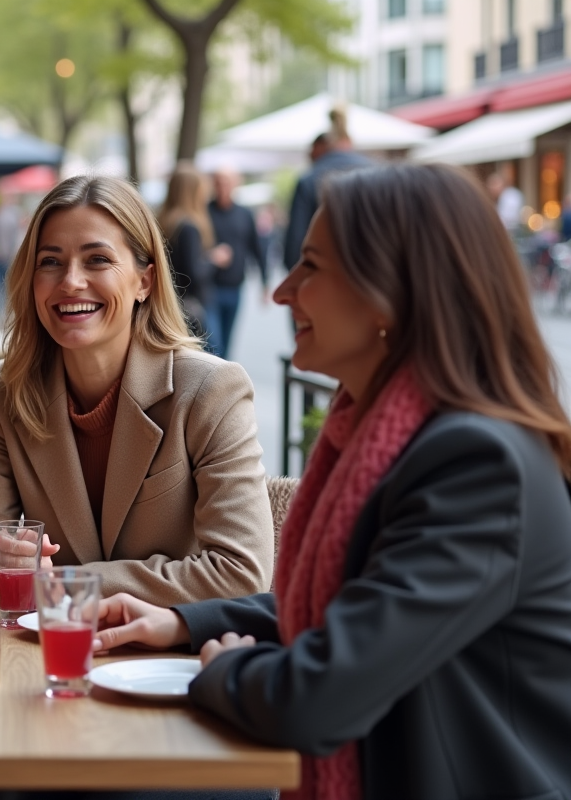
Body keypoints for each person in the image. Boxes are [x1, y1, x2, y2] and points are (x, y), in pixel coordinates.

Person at [94, 163, 571, 799]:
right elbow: (357, 606)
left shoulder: (479, 464)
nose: (282, 291)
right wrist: (187, 623)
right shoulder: (396, 433)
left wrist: (227, 668)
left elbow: (317, 696)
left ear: (391, 294)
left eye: (311, 266)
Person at [0, 175, 274, 607]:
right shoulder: (6, 391)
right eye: (50, 262)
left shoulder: (209, 391)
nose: (71, 281)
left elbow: (243, 572)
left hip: (168, 664)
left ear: (144, 282)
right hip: (47, 659)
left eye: (97, 260)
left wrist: (68, 584)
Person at [282, 108, 371, 272]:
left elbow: (295, 243)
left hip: (324, 277)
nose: (309, 156)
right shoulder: (376, 172)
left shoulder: (309, 180)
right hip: (371, 277)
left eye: (311, 151)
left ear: (320, 147)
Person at [158, 164, 227, 344]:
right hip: (194, 304)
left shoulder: (164, 222)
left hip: (172, 302)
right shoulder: (188, 227)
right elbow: (193, 273)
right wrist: (214, 259)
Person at [205, 167, 269, 360]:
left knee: (227, 342)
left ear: (235, 184)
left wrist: (265, 283)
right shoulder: (205, 212)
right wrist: (211, 256)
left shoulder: (244, 214)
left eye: (227, 182)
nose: (223, 187)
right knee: (213, 342)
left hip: (235, 287)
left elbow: (257, 248)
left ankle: (224, 385)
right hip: (210, 288)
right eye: (219, 182)